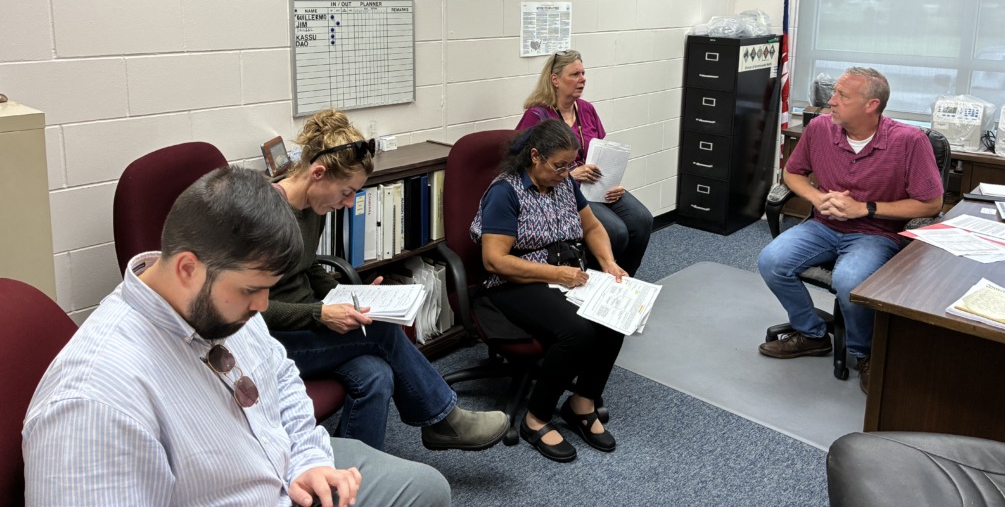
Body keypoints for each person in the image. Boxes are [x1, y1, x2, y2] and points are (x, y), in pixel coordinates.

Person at [23, 166, 451, 507]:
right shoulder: (93, 401)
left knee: (429, 488)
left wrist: (306, 459)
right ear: (187, 268)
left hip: (285, 468)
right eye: (251, 290)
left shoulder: (219, 305)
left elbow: (281, 376)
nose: (263, 306)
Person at [266, 109, 508, 452]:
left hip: (309, 322)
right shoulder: (267, 217)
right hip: (276, 339)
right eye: (347, 192)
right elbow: (251, 310)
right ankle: (444, 419)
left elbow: (305, 269)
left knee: (375, 376)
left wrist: (349, 295)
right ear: (318, 173)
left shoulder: (311, 206)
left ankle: (357, 477)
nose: (349, 204)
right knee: (382, 330)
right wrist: (321, 314)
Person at [757, 67, 943, 393]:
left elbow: (930, 203)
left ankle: (865, 352)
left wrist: (866, 208)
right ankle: (812, 334)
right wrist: (817, 197)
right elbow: (793, 172)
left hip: (875, 232)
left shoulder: (909, 141)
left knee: (850, 280)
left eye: (842, 96)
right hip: (823, 225)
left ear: (871, 105)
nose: (832, 101)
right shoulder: (819, 130)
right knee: (771, 260)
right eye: (835, 93)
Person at [472, 119, 629, 463]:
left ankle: (581, 403)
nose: (565, 173)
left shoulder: (563, 185)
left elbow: (592, 226)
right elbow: (495, 261)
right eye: (559, 165)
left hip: (564, 273)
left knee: (616, 318)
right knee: (576, 331)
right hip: (513, 282)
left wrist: (608, 263)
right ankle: (536, 417)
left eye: (570, 165)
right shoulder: (505, 192)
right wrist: (557, 273)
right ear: (534, 156)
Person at [516, 49, 653, 277]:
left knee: (642, 220)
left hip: (598, 187)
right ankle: (593, 281)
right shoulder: (537, 115)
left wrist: (613, 181)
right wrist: (571, 174)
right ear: (555, 79)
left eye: (583, 73)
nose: (582, 79)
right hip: (562, 189)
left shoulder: (587, 109)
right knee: (616, 231)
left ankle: (624, 279)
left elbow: (602, 153)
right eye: (575, 74)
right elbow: (521, 164)